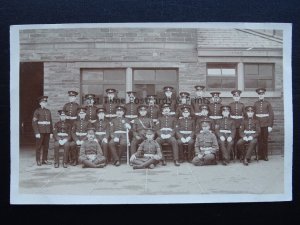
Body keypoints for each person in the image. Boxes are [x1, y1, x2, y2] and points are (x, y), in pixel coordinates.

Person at [254, 88, 274, 161]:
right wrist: (255, 126)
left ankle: (265, 155)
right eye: (259, 94)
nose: (261, 95)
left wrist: (270, 125)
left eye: (262, 94)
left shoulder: (267, 103)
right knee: (259, 140)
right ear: (258, 95)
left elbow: (271, 115)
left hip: (265, 125)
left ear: (264, 95)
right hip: (258, 125)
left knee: (265, 140)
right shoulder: (256, 104)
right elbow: (254, 115)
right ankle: (259, 155)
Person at [32, 96, 53, 166]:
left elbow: (50, 122)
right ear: (40, 103)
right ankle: (38, 160)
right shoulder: (37, 111)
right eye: (43, 102)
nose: (45, 103)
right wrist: (36, 132)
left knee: (46, 147)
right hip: (40, 132)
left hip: (47, 132)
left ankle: (44, 160)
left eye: (46, 102)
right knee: (39, 147)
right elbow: (34, 123)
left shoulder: (48, 111)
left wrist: (51, 132)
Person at [229, 90, 245, 160]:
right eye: (235, 96)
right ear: (233, 97)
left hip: (239, 124)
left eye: (237, 96)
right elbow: (228, 115)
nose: (236, 98)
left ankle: (239, 155)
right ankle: (232, 155)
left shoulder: (242, 105)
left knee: (239, 139)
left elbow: (244, 115)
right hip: (232, 125)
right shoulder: (230, 105)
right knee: (233, 139)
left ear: (239, 97)